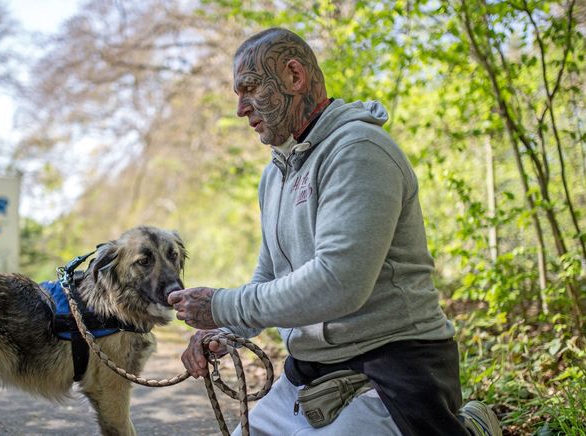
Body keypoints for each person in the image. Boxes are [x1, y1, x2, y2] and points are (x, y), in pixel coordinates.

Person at [168, 27, 501, 436]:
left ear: (294, 76)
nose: (240, 108)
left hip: (395, 371)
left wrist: (222, 305)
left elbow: (339, 283)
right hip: (308, 374)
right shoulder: (274, 176)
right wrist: (225, 330)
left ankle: (467, 427)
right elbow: (269, 276)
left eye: (249, 87)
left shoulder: (360, 150)